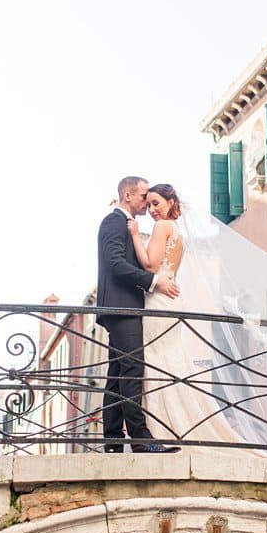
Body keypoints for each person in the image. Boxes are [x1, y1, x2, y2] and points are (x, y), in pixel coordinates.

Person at [125, 182, 244, 444]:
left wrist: (135, 235)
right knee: (168, 359)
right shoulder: (177, 231)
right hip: (170, 300)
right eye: (150, 204)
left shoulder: (161, 226)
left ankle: (161, 430)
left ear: (170, 203)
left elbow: (151, 263)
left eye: (157, 203)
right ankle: (177, 426)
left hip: (158, 300)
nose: (152, 209)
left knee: (156, 361)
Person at [94, 175, 179, 454]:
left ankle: (113, 439)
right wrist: (153, 282)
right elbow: (116, 264)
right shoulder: (113, 221)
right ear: (128, 196)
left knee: (119, 372)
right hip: (122, 307)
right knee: (131, 369)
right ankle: (140, 440)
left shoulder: (126, 225)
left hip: (125, 307)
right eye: (144, 196)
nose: (147, 202)